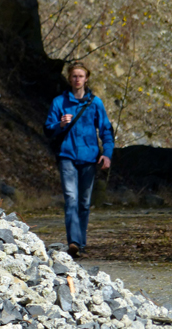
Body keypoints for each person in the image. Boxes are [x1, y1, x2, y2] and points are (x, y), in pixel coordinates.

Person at [45, 62, 115, 257]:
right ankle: (73, 242)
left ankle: (81, 243)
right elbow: (48, 129)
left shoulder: (95, 103)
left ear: (86, 78)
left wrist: (107, 154)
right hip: (67, 156)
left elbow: (106, 131)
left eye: (81, 76)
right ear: (69, 79)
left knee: (84, 202)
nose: (77, 79)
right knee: (71, 199)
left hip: (89, 158)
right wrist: (60, 124)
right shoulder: (59, 102)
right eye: (74, 76)